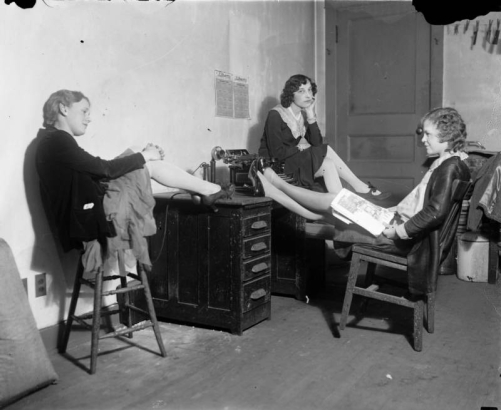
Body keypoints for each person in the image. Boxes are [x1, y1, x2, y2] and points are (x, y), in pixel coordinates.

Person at [253, 107, 471, 275]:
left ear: (447, 135)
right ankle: (273, 191)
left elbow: (435, 212)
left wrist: (398, 231)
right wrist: (391, 212)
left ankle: (276, 183)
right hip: (394, 222)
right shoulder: (452, 162)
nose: (423, 139)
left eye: (428, 135)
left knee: (334, 202)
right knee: (331, 209)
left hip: (400, 237)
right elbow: (423, 204)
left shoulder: (449, 167)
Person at [36, 89, 234, 256]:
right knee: (146, 164)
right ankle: (207, 189)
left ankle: (199, 189)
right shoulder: (58, 141)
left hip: (86, 214)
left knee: (137, 154)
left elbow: (97, 171)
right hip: (88, 221)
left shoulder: (51, 139)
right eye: (84, 111)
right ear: (64, 108)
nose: (89, 118)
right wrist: (144, 156)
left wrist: (141, 155)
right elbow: (104, 169)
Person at [258, 74, 390, 201]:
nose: (308, 95)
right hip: (277, 167)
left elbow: (316, 144)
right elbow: (276, 154)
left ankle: (343, 206)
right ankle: (359, 187)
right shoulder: (276, 115)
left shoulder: (302, 115)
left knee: (328, 163)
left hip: (295, 163)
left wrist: (310, 115)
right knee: (325, 151)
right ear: (291, 94)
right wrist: (299, 149)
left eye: (309, 90)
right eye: (301, 91)